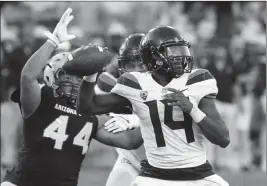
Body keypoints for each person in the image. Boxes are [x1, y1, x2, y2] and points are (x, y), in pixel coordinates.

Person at [1, 8, 143, 186]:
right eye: (67, 76)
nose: (73, 82)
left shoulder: (90, 111)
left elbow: (130, 141)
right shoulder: (42, 97)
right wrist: (52, 41)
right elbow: (27, 76)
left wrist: (151, 115)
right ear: (54, 76)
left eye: (78, 78)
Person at [77, 26, 230, 186]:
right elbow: (88, 107)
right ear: (152, 58)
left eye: (180, 49)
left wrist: (192, 109)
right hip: (153, 174)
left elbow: (223, 138)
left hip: (198, 173)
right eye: (172, 51)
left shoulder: (198, 80)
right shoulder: (135, 85)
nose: (179, 56)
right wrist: (90, 73)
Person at [94, 33, 147, 186]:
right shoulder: (113, 84)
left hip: (168, 165)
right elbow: (92, 97)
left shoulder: (168, 84)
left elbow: (161, 113)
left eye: (142, 64)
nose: (136, 70)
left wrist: (129, 120)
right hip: (130, 159)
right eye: (130, 64)